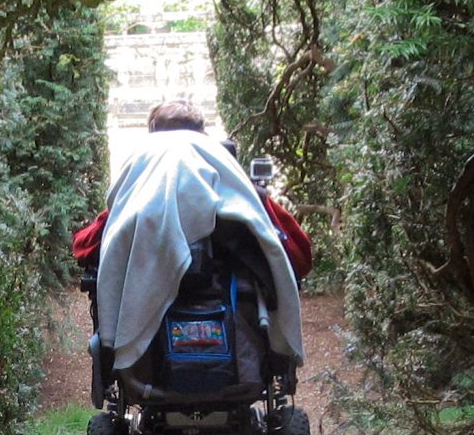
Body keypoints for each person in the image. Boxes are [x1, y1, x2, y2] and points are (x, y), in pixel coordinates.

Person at [76, 103, 308, 392]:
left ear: (152, 134)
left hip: (148, 355)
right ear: (203, 133)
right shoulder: (236, 184)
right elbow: (298, 250)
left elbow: (85, 246)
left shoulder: (138, 188)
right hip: (232, 320)